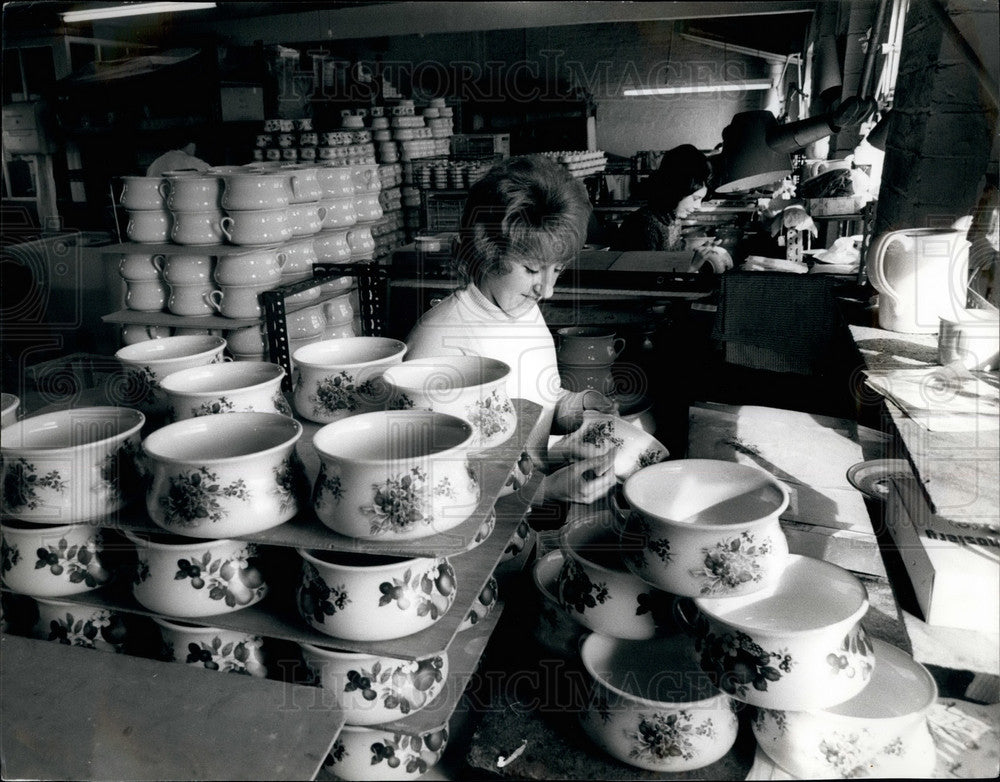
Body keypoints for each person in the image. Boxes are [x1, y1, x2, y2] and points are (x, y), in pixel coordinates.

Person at [405, 154, 619, 506]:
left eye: (558, 270)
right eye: (533, 269)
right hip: (488, 537)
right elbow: (435, 484)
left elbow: (540, 397)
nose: (547, 290)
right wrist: (546, 490)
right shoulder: (441, 342)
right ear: (486, 252)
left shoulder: (523, 309)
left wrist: (581, 408)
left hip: (529, 516)